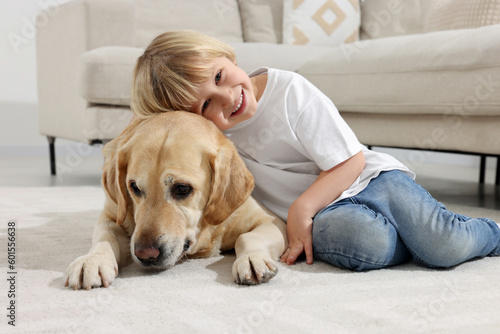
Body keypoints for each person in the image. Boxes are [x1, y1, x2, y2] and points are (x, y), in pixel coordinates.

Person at [130, 30, 500, 271]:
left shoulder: (290, 91)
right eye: (206, 106)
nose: (228, 98)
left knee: (445, 247)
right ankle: (411, 239)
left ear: (228, 57)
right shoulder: (207, 141)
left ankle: (489, 233)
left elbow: (351, 160)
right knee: (361, 246)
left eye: (219, 77)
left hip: (369, 181)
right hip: (329, 215)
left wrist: (301, 209)